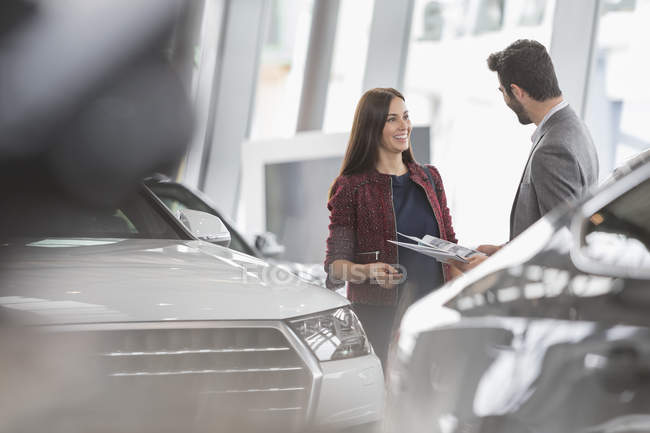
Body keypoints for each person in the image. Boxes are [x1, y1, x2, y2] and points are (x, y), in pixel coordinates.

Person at [324, 87, 459, 367]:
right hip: (380, 320)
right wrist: (366, 272)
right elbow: (335, 266)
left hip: (432, 316)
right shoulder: (351, 188)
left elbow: (451, 246)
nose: (404, 126)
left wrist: (470, 263)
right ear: (372, 127)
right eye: (392, 119)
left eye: (406, 117)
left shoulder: (430, 178)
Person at [476, 39, 599, 258]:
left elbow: (562, 244)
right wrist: (505, 252)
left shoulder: (552, 148)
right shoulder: (574, 127)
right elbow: (546, 228)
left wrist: (493, 271)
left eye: (502, 91)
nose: (504, 98)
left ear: (517, 91)